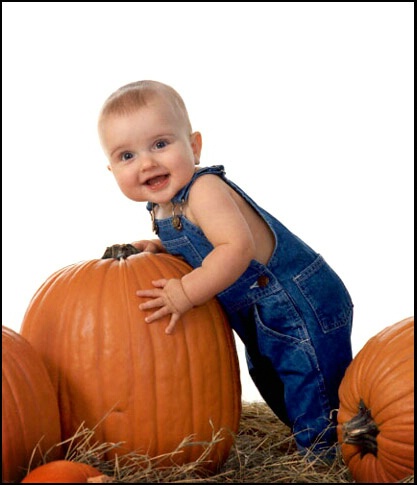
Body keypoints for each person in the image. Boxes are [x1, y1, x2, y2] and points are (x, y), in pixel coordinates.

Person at [97, 80, 354, 458]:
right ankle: (311, 438)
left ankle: (326, 456)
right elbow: (199, 246)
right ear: (111, 170)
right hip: (260, 314)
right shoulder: (163, 206)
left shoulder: (204, 190)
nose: (147, 163)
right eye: (126, 156)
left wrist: (185, 292)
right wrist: (158, 246)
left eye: (160, 145)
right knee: (273, 380)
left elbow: (235, 248)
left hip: (299, 304)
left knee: (311, 383)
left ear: (194, 146)